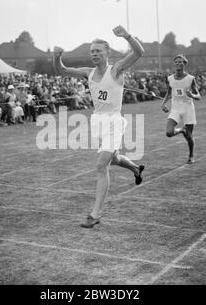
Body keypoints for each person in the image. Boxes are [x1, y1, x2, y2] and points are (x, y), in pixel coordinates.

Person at [53, 25, 145, 228]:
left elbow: (139, 52)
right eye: (91, 51)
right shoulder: (88, 72)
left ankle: (95, 214)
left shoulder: (116, 69)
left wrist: (127, 36)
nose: (94, 54)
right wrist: (57, 55)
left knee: (101, 165)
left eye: (97, 51)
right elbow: (61, 69)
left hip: (113, 121)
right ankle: (136, 169)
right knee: (113, 159)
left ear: (107, 53)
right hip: (97, 121)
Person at [160, 54, 201, 164]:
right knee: (169, 132)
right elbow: (169, 93)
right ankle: (181, 130)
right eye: (176, 61)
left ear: (184, 64)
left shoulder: (190, 79)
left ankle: (191, 155)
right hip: (176, 108)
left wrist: (192, 95)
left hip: (188, 108)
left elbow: (199, 96)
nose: (178, 63)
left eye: (180, 62)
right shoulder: (170, 78)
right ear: (174, 64)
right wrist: (163, 104)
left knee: (189, 136)